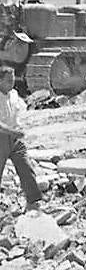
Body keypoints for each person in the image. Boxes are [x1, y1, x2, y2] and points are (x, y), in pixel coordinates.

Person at [0, 66, 42, 211]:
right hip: (2, 138)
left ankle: (33, 202)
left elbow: (21, 110)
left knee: (26, 167)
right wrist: (12, 131)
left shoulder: (13, 94)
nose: (11, 83)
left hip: (16, 139)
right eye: (8, 81)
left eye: (12, 80)